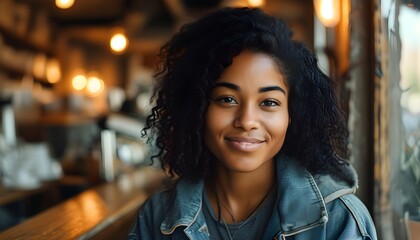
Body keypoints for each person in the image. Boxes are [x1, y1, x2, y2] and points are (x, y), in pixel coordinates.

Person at [128, 7, 377, 240]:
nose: (247, 121)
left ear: (292, 114)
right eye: (227, 99)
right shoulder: (157, 218)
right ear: (197, 108)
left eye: (268, 102)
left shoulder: (338, 221)